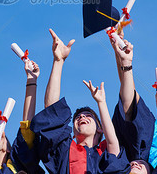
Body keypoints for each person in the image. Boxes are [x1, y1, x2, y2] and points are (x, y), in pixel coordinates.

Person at [27, 28, 130, 174]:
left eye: (88, 115)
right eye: (77, 117)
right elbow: (52, 111)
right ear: (73, 133)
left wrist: (101, 103)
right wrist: (58, 61)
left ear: (100, 128)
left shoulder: (104, 153)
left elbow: (113, 144)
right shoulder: (65, 150)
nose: (81, 117)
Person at [109, 35, 157, 174]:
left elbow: (128, 102)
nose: (134, 167)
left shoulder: (129, 151)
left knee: (128, 109)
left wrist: (124, 61)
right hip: (152, 142)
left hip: (137, 144)